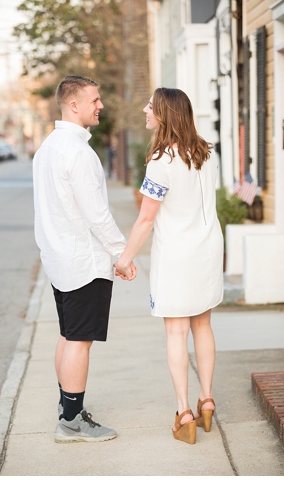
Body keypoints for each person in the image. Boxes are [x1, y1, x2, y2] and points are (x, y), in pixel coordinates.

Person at [114, 88, 223, 445]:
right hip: (208, 250)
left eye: (150, 106)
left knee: (176, 332)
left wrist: (125, 259)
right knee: (202, 325)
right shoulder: (207, 153)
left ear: (164, 114)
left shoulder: (161, 160)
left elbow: (146, 219)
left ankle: (184, 411)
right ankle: (206, 399)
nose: (145, 109)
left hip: (177, 254)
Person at [32, 75, 132, 443]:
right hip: (83, 261)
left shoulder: (48, 148)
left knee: (68, 335)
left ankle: (66, 409)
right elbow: (97, 215)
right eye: (95, 99)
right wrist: (121, 254)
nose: (100, 105)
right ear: (74, 105)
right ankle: (72, 422)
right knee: (79, 340)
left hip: (60, 260)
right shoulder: (77, 152)